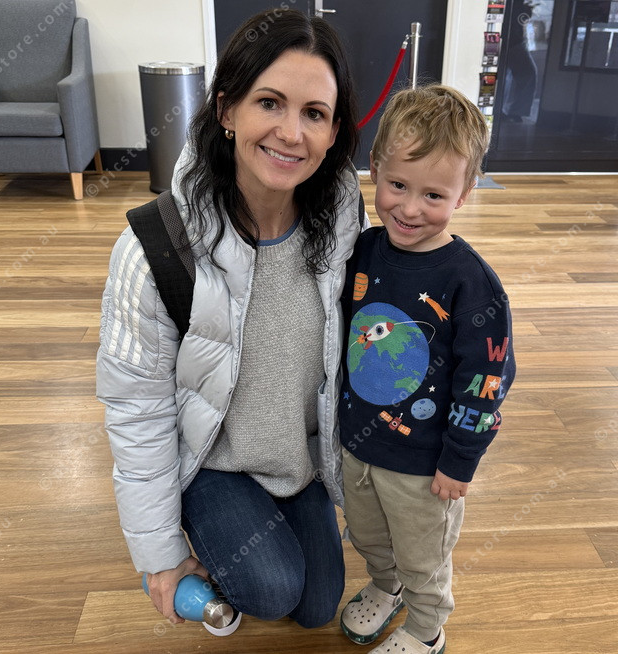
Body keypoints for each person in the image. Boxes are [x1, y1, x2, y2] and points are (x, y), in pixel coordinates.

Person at [96, 8, 363, 633]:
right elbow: (136, 410)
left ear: (333, 133)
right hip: (211, 456)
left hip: (297, 455)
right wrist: (162, 557)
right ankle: (212, 524)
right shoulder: (155, 247)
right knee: (271, 589)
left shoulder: (344, 228)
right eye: (269, 103)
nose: (291, 133)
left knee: (317, 607)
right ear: (226, 109)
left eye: (314, 113)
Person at [338, 85, 516, 654]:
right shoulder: (363, 249)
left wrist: (460, 459)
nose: (410, 208)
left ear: (465, 193)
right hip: (359, 443)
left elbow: (486, 379)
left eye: (434, 194)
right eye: (397, 185)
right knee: (368, 535)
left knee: (423, 555)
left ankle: (425, 628)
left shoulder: (472, 283)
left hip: (424, 466)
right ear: (375, 168)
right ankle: (386, 586)